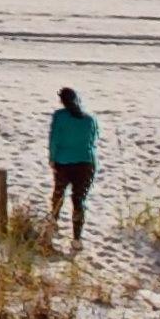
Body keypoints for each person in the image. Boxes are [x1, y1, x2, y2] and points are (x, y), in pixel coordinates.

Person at [44, 88, 100, 249]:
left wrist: (52, 158)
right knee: (79, 200)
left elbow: (54, 139)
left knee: (59, 193)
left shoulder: (59, 116)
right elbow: (93, 139)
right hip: (86, 163)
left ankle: (54, 223)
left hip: (64, 162)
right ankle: (77, 238)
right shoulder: (89, 119)